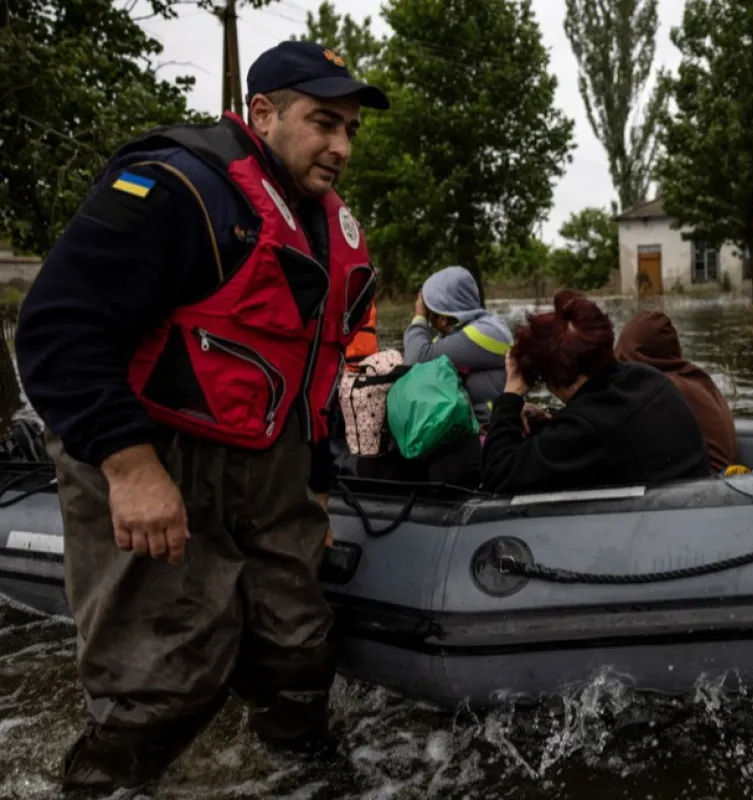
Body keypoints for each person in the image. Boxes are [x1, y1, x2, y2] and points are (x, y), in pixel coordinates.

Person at [13, 40, 387, 793]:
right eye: (323, 123)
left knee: (297, 650)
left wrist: (314, 478)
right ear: (263, 113)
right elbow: (56, 327)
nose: (341, 146)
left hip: (268, 464)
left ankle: (303, 778)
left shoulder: (325, 222)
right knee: (162, 683)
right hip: (158, 452)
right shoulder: (177, 188)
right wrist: (129, 466)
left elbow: (313, 365)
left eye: (350, 129)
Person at [480, 290, 709, 494]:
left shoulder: (586, 429)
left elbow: (497, 475)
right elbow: (608, 427)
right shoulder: (645, 377)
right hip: (687, 505)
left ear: (556, 376)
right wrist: (552, 420)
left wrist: (511, 394)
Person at [614, 309, 738, 474]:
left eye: (622, 359)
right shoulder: (695, 377)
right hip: (725, 482)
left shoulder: (660, 389)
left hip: (704, 488)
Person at [404, 265, 513, 426]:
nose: (430, 322)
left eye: (430, 316)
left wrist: (419, 317)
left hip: (492, 431)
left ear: (443, 319)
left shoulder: (485, 334)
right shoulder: (466, 331)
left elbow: (415, 362)